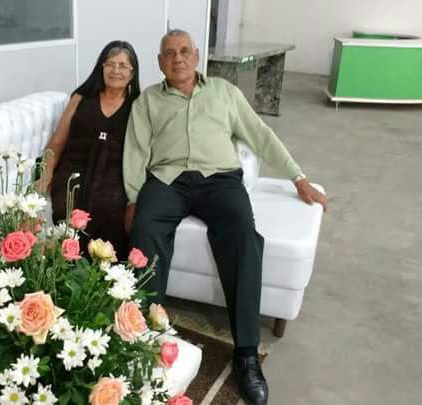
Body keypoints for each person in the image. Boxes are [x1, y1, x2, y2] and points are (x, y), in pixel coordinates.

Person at [123, 30, 328, 405]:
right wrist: (134, 199)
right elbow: (136, 151)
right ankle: (142, 339)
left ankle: (246, 354)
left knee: (244, 238)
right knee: (145, 230)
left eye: (184, 51)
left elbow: (260, 134)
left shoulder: (224, 92)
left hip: (220, 180)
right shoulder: (148, 101)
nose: (178, 58)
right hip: (167, 181)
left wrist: (297, 177)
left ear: (196, 55)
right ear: (160, 62)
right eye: (170, 53)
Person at [39, 41, 140, 258]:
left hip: (114, 174)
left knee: (110, 206)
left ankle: (106, 270)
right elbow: (56, 143)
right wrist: (45, 175)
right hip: (74, 169)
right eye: (110, 64)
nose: (115, 70)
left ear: (132, 73)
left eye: (123, 65)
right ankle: (67, 265)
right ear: (101, 67)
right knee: (68, 206)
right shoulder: (80, 98)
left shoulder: (138, 106)